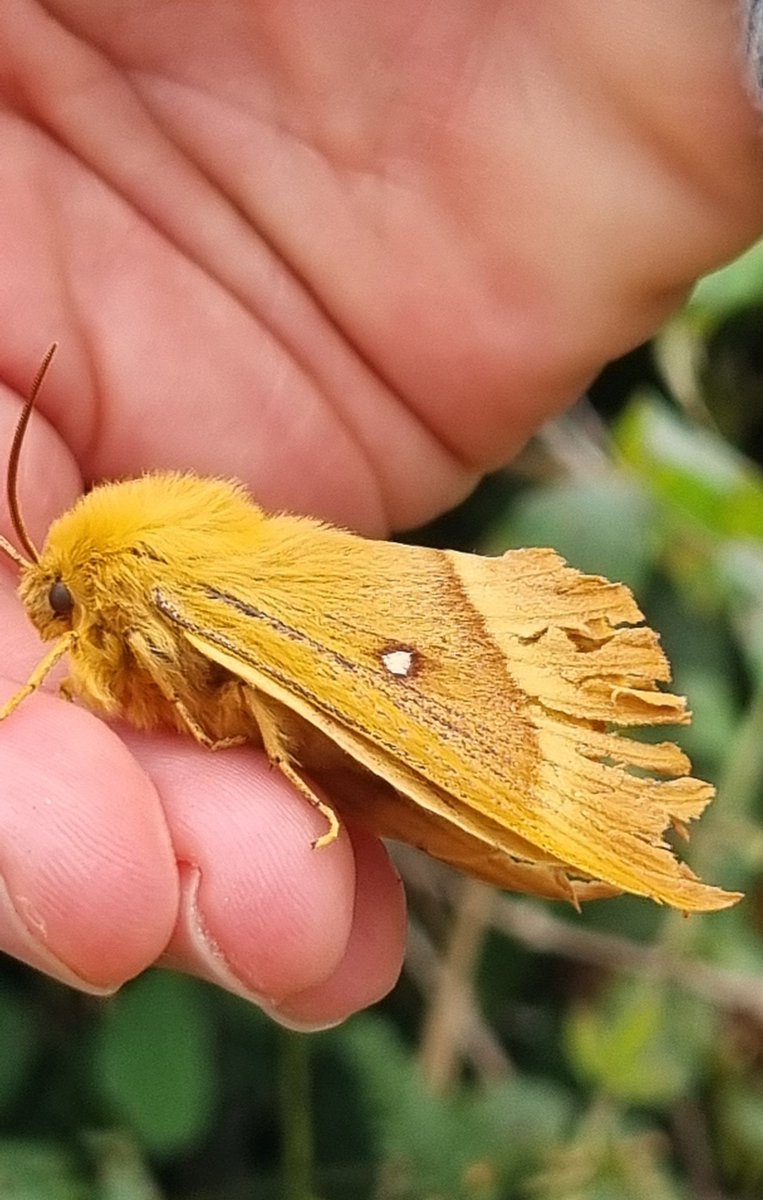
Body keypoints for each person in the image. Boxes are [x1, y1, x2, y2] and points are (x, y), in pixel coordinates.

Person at [0, 2, 761, 1030]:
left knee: (432, 770)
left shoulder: (154, 595)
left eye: (54, 604)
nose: (46, 621)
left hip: (363, 642)